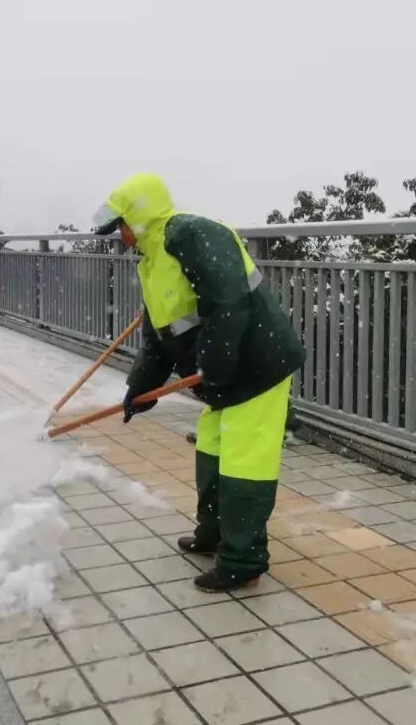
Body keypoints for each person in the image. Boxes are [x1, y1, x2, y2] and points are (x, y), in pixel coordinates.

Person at [93, 173, 305, 592]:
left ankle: (243, 560)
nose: (120, 236)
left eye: (122, 225)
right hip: (225, 372)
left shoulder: (192, 234)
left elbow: (229, 301)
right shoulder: (153, 261)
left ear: (139, 216)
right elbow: (159, 337)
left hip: (257, 365)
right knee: (211, 446)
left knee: (244, 459)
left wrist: (216, 365)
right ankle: (214, 533)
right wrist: (140, 390)